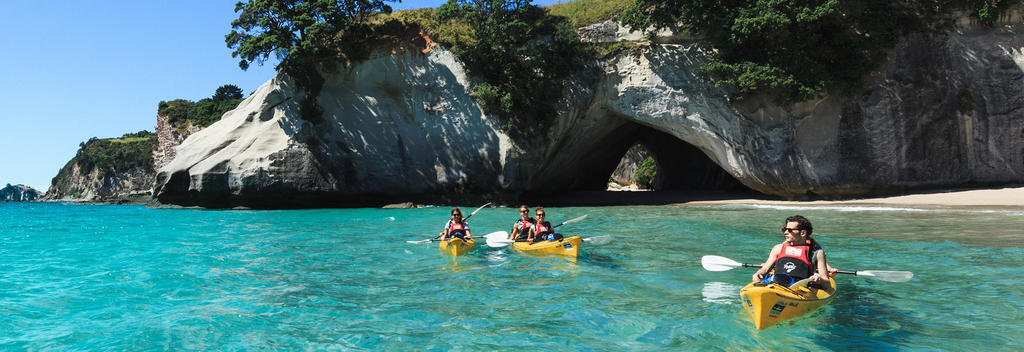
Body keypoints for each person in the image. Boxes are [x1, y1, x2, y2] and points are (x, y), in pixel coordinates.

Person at [752, 215, 836, 288]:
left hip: (800, 288)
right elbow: (765, 269)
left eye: (790, 230)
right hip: (776, 284)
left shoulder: (817, 253)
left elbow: (827, 284)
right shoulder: (778, 248)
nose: (785, 232)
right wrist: (759, 273)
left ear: (803, 233)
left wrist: (820, 280)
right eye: (784, 229)